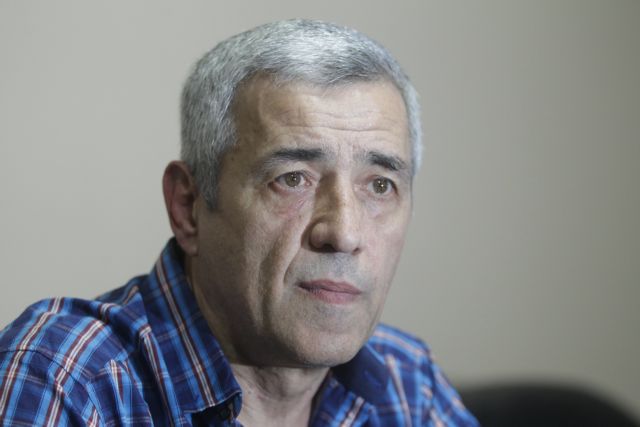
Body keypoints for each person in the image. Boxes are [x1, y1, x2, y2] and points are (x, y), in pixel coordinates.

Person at [0, 19, 478, 426]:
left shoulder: (408, 382)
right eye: (293, 179)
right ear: (187, 206)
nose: (344, 233)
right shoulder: (67, 379)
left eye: (380, 186)